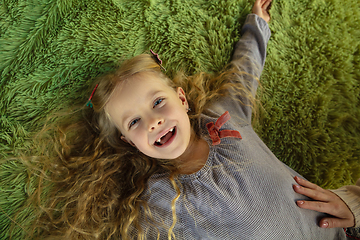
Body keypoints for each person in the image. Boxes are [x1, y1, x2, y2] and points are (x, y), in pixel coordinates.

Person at [23, 0, 360, 239]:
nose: (153, 121)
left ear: (182, 99)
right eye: (134, 122)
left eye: (157, 102)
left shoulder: (223, 117)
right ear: (128, 141)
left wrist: (258, 23)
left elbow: (244, 73)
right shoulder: (157, 204)